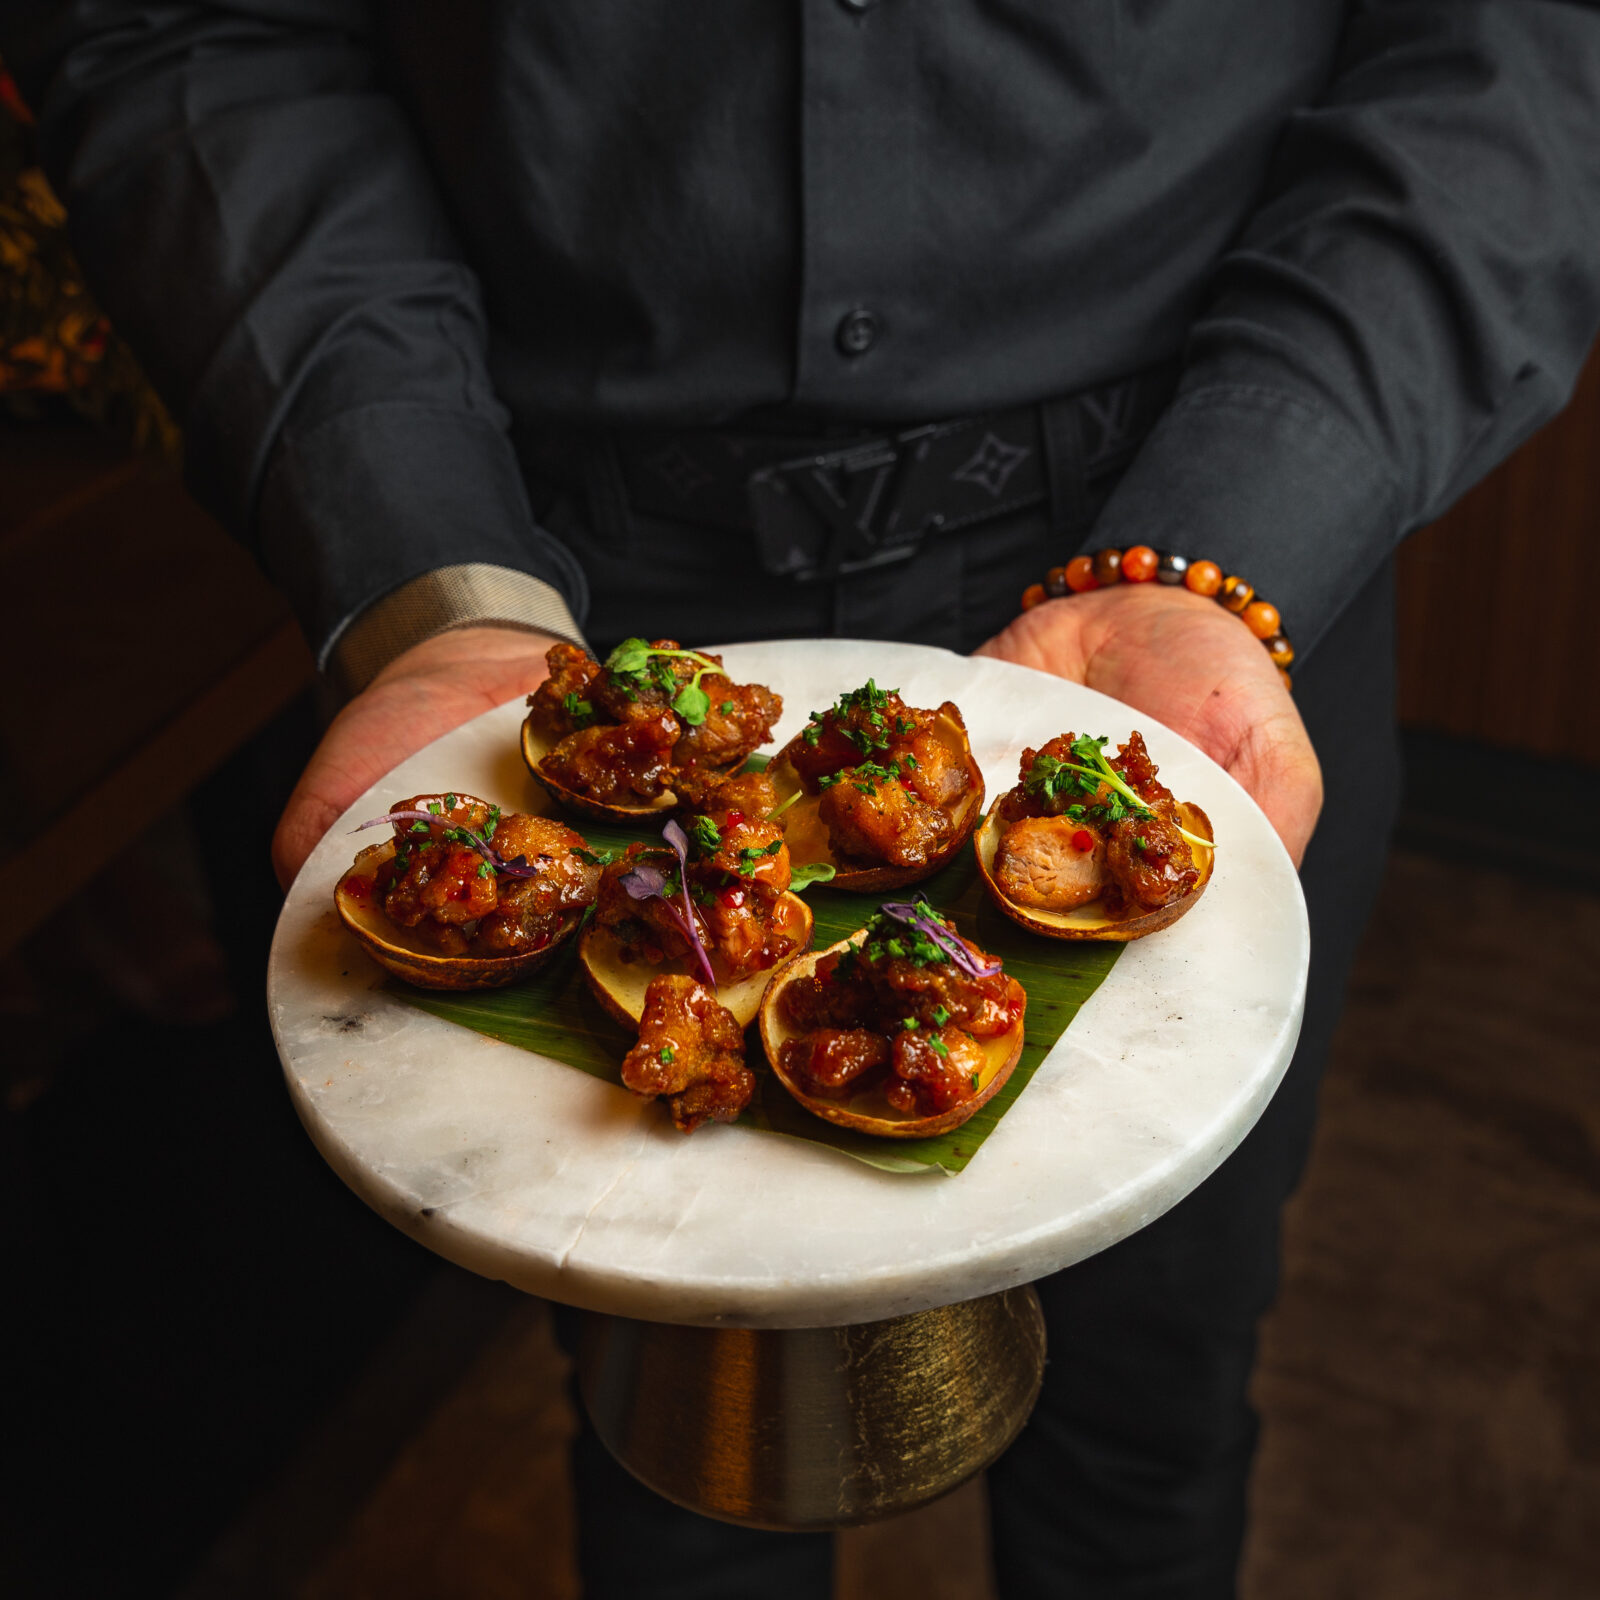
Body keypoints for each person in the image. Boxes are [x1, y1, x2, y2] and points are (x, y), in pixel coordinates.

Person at [8, 4, 1598, 1594]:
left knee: (1151, 1396)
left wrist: (1248, 513)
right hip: (563, 567)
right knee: (689, 1451)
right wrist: (425, 562)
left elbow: (1517, 46)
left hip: (1181, 545)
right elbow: (189, 30)